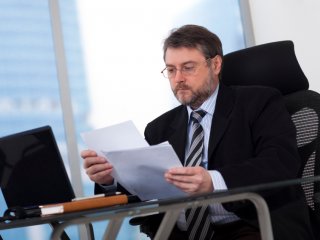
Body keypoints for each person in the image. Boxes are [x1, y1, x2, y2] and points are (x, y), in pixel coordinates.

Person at [81, 25, 315, 240]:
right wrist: (109, 179)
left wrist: (213, 181)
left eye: (188, 68)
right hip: (179, 233)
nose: (178, 79)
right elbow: (144, 185)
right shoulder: (158, 128)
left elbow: (280, 163)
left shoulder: (259, 102)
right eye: (171, 70)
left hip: (250, 226)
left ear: (215, 65)